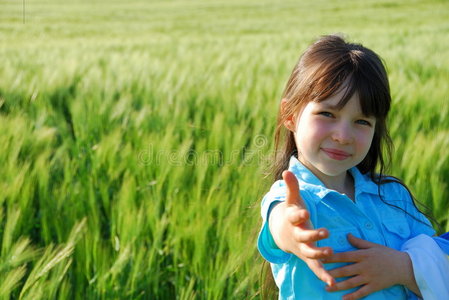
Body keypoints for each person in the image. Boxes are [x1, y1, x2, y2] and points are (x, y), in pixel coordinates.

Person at [257, 34, 447, 299]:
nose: (343, 135)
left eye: (362, 121)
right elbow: (280, 223)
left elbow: (438, 258)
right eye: (327, 114)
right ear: (290, 115)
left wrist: (404, 268)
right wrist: (293, 232)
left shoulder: (393, 196)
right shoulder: (293, 199)